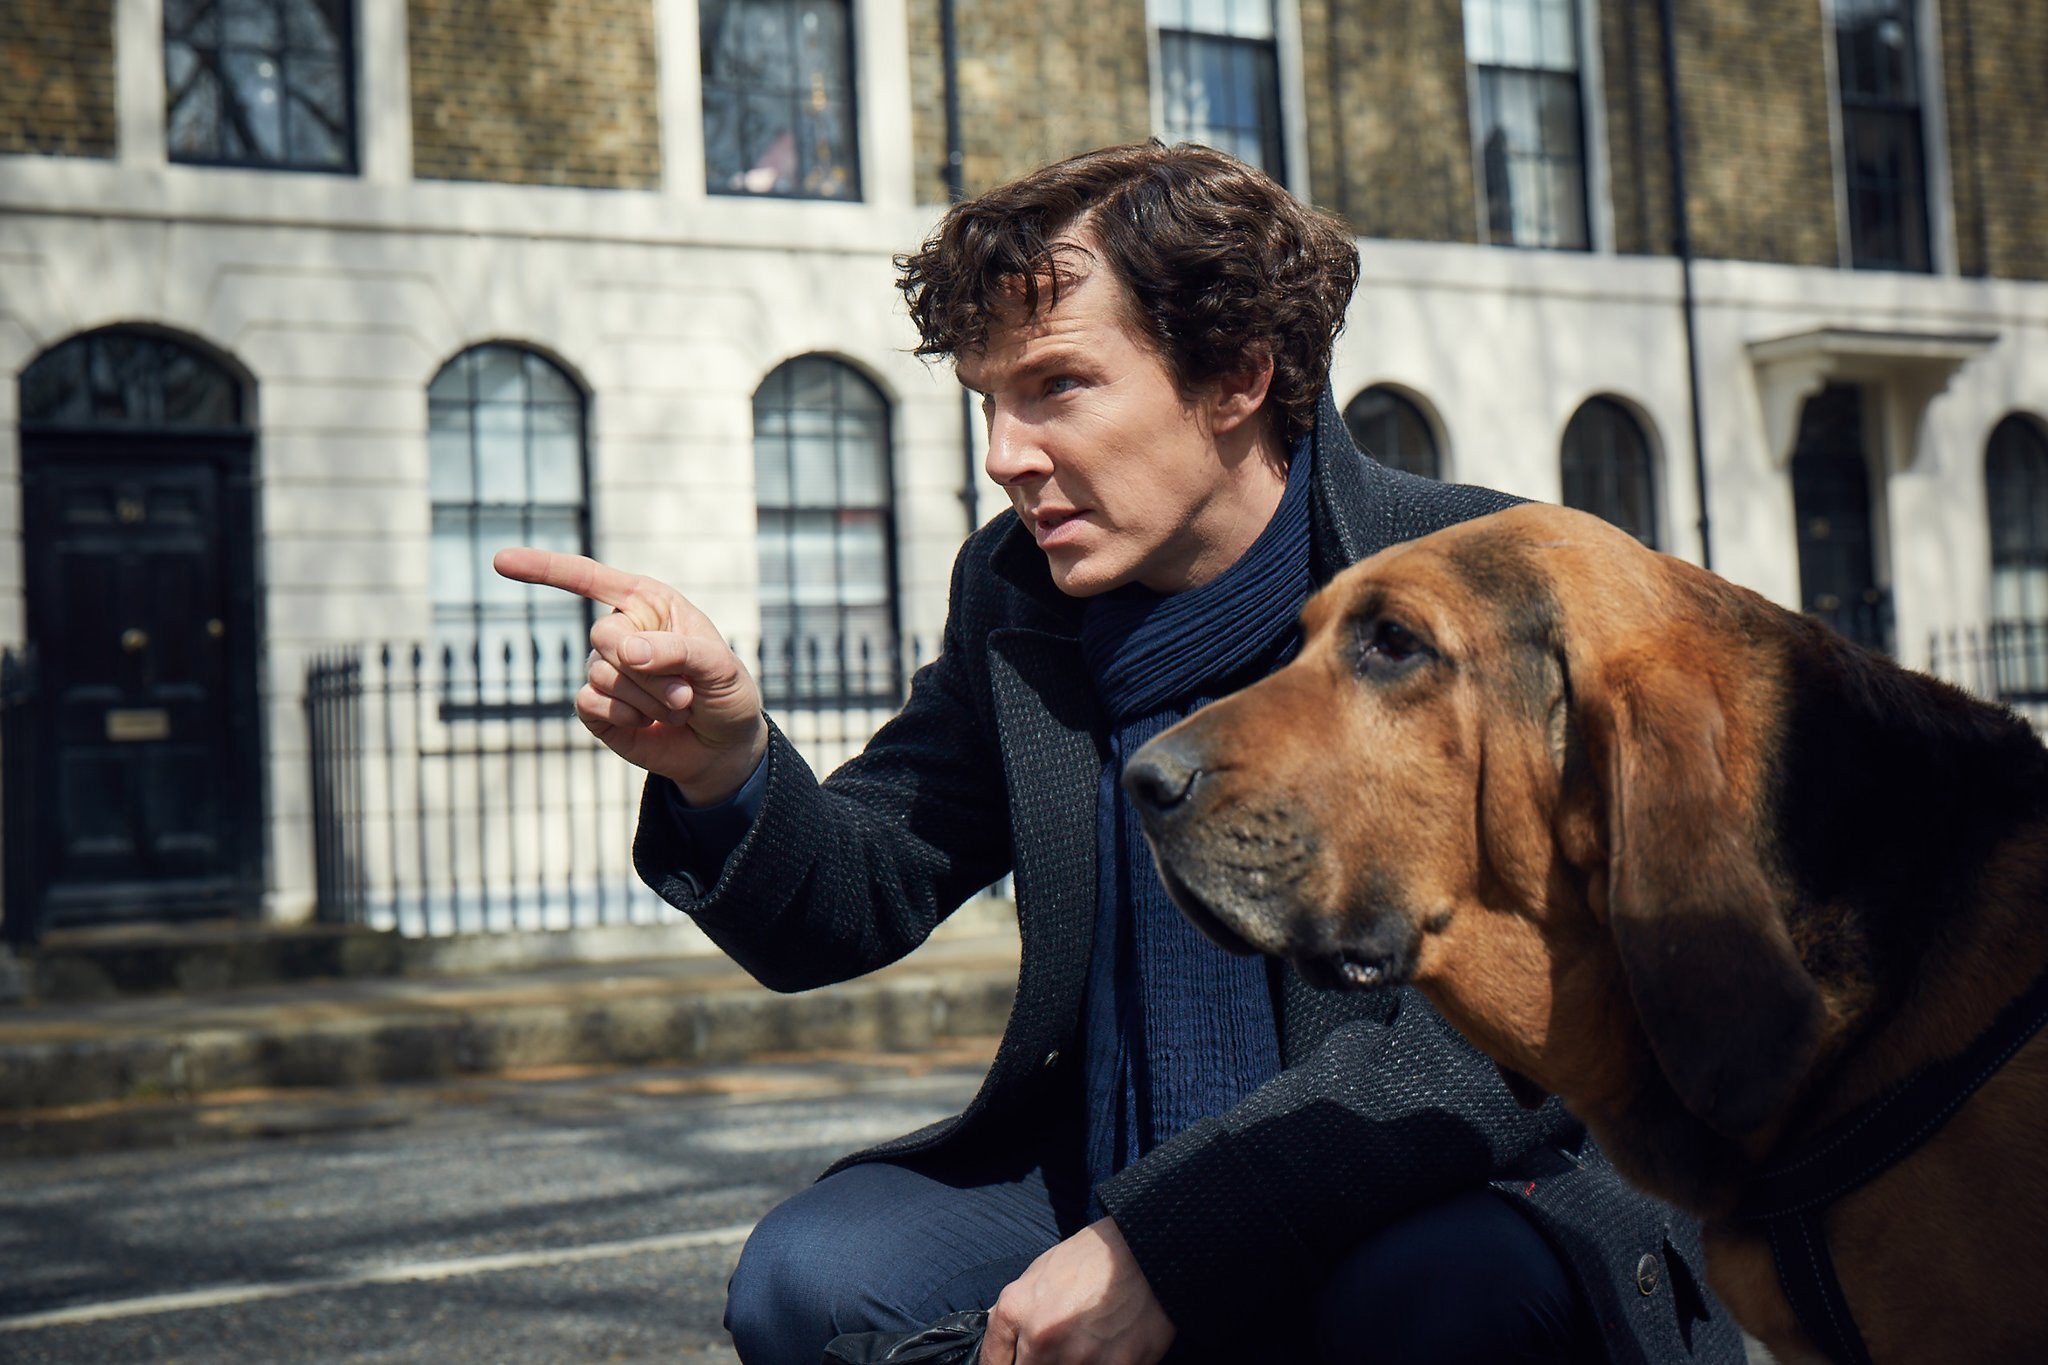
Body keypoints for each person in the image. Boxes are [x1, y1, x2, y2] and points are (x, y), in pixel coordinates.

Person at [496, 143, 1746, 1365]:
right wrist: (722, 766)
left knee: (1427, 1300)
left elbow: (1518, 1025)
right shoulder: (1013, 592)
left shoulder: (1479, 579)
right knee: (811, 1278)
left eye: (1056, 385)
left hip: (1449, 1165)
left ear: (1236, 376)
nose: (1004, 453)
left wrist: (1176, 1241)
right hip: (1113, 1146)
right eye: (988, 400)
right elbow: (864, 886)